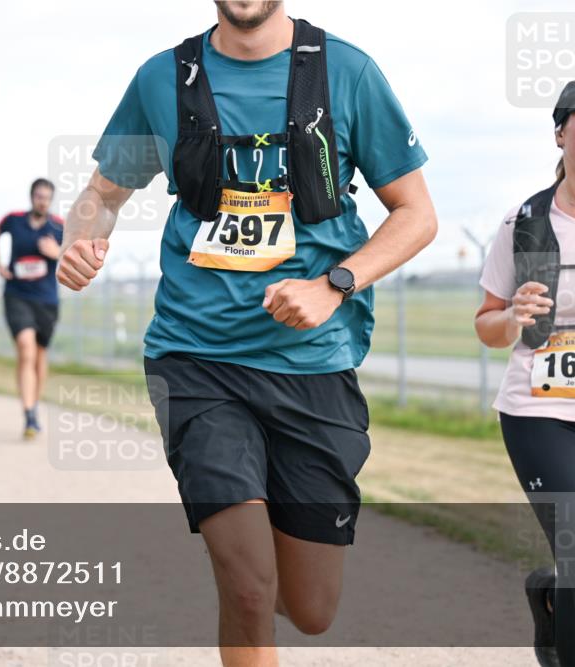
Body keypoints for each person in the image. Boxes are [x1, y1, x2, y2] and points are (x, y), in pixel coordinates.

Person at [57, 3, 436, 664]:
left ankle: (249, 575)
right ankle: (244, 578)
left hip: (312, 364)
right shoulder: (161, 79)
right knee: (251, 586)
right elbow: (102, 193)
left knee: (312, 608)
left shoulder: (347, 72)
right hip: (196, 357)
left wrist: (333, 285)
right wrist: (79, 240)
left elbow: (417, 214)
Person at [475, 81, 575, 667]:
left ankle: (553, 601)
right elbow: (486, 325)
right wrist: (513, 314)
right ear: (561, 133)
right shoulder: (525, 222)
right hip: (540, 410)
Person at [0, 178, 64, 439]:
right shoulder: (13, 219)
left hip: (46, 300)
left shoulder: (59, 226)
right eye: (38, 196)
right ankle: (29, 412)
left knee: (40, 355)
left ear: (51, 200)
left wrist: (56, 252)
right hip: (17, 295)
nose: (41, 201)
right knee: (25, 347)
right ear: (31, 197)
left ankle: (35, 404)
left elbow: (70, 255)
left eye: (46, 197)